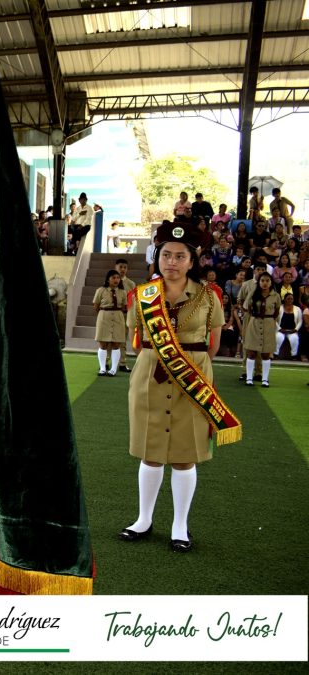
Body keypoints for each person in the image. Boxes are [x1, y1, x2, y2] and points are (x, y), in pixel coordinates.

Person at [119, 221, 228, 554]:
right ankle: (144, 519)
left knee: (184, 457)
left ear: (192, 261)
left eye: (180, 256)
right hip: (150, 376)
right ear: (157, 256)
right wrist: (161, 359)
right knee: (151, 454)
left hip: (193, 380)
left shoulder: (210, 297)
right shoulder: (142, 295)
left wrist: (186, 365)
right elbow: (137, 342)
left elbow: (213, 345)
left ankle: (180, 525)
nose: (172, 262)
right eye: (166, 254)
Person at [242, 273, 279, 387]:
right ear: (259, 282)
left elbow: (277, 311)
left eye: (267, 280)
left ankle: (265, 379)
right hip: (254, 323)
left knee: (266, 353)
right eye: (262, 280)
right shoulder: (253, 293)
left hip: (268, 324)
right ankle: (249, 378)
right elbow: (246, 307)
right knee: (251, 352)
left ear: (271, 282)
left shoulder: (275, 296)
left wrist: (271, 322)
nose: (265, 283)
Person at [94, 270, 127, 376]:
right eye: (113, 277)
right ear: (108, 279)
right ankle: (102, 368)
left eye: (118, 278)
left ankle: (113, 369)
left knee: (116, 344)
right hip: (104, 316)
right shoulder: (101, 290)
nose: (116, 280)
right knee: (102, 343)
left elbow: (124, 306)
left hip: (118, 317)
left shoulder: (123, 292)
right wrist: (104, 313)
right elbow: (96, 305)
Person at [115, 258, 135, 372]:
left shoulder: (131, 284)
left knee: (122, 340)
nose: (122, 269)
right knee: (110, 339)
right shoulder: (110, 282)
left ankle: (122, 363)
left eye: (125, 267)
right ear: (115, 267)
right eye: (120, 266)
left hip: (125, 315)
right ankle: (106, 363)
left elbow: (133, 301)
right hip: (112, 314)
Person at [276, 293, 302, 360]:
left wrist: (295, 329)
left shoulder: (297, 309)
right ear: (284, 299)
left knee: (294, 339)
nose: (290, 300)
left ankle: (294, 355)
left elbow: (300, 321)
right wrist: (279, 329)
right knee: (278, 337)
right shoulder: (279, 308)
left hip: (292, 330)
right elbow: (274, 320)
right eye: (288, 299)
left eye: (291, 299)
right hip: (281, 330)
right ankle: (275, 354)